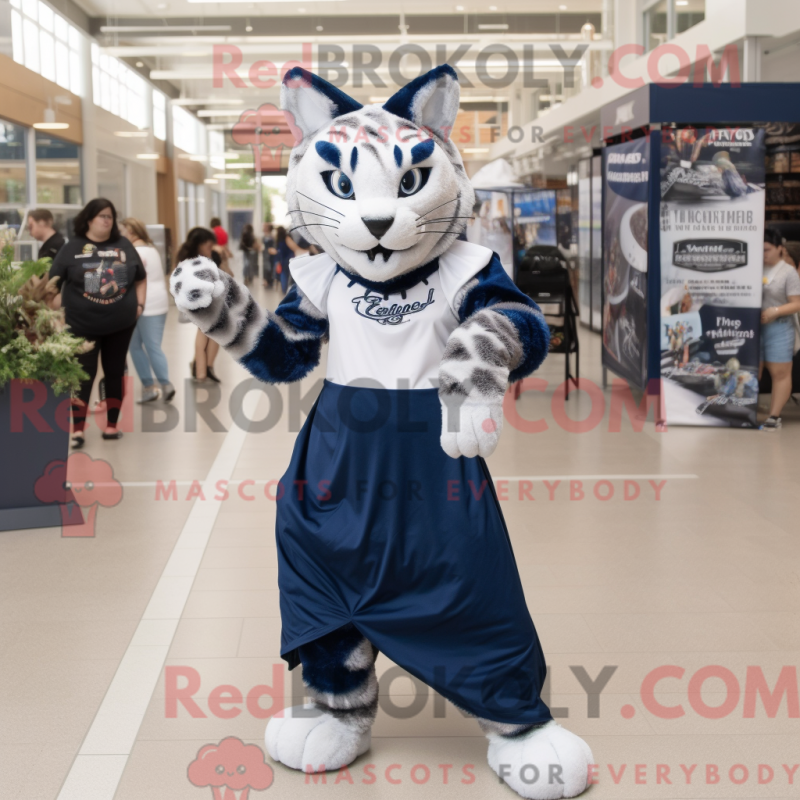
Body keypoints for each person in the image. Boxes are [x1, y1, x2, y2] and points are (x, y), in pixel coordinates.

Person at [50, 198, 146, 448]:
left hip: (120, 325)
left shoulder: (124, 245)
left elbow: (140, 278)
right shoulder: (72, 248)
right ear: (89, 219)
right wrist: (57, 317)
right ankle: (78, 430)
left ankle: (112, 425)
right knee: (83, 376)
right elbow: (52, 286)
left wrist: (140, 305)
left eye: (110, 216)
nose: (107, 221)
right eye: (102, 216)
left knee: (114, 373)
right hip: (81, 325)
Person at [120, 218, 174, 403]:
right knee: (136, 345)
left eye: (122, 231)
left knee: (148, 346)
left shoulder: (133, 252)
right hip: (158, 302)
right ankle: (150, 387)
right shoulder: (152, 250)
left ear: (131, 232)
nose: (120, 235)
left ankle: (163, 384)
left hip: (143, 304)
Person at [177, 227, 234, 382]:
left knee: (214, 335)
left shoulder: (212, 256)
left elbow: (228, 275)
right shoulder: (188, 261)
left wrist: (222, 262)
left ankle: (205, 367)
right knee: (204, 335)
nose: (211, 249)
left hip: (214, 301)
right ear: (200, 244)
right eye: (208, 246)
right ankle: (201, 371)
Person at [759, 227, 800, 431]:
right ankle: (745, 410)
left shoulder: (788, 272)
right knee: (751, 369)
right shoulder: (754, 267)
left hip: (780, 327)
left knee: (780, 372)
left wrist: (775, 311)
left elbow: (797, 303)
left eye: (767, 250)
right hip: (753, 327)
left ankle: (774, 416)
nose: (763, 254)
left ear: (779, 249)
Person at [262, 222, 276, 288]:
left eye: (266, 227)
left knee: (270, 267)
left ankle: (270, 281)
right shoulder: (265, 236)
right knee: (266, 267)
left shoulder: (271, 236)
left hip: (270, 254)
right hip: (265, 254)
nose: (264, 228)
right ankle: (266, 280)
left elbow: (273, 245)